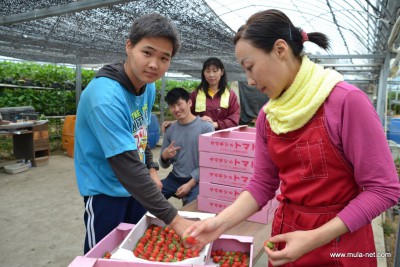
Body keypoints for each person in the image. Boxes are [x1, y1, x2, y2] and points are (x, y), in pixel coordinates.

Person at [183, 9, 400, 267]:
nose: (250, 81)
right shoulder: (269, 116)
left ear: (280, 50)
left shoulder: (345, 102)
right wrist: (221, 221)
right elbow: (263, 184)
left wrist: (314, 238)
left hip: (342, 242)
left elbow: (383, 190)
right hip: (287, 236)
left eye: (250, 67)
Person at [74, 13, 194, 254]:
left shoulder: (147, 87)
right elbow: (126, 165)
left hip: (137, 188)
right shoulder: (106, 97)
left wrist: (150, 167)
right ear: (129, 46)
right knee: (104, 254)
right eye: (147, 53)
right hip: (105, 190)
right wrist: (175, 219)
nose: (154, 64)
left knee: (135, 247)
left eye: (164, 58)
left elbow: (139, 136)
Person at [160, 87, 214, 205]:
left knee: (191, 211)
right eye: (172, 106)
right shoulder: (170, 130)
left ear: (189, 103)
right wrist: (164, 157)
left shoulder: (206, 128)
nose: (176, 109)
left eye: (179, 104)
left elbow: (210, 163)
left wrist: (190, 184)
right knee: (148, 196)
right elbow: (164, 165)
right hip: (175, 178)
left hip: (198, 179)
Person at [162, 57, 240, 131]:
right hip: (198, 134)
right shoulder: (196, 94)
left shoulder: (230, 95)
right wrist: (174, 123)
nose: (211, 75)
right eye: (208, 71)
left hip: (222, 138)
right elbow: (187, 114)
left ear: (222, 72)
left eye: (215, 71)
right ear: (204, 73)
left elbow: (234, 119)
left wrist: (216, 124)